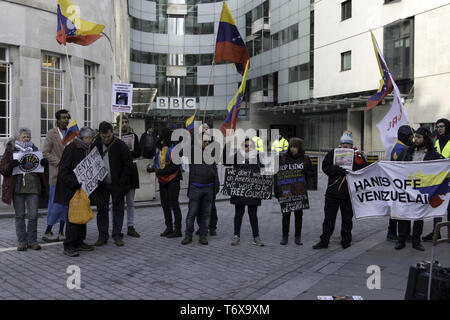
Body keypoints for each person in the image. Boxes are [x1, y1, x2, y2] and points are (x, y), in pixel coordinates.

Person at [313, 130, 368, 250]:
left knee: (347, 219)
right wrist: (337, 170)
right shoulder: (333, 153)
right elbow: (325, 167)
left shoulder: (357, 155)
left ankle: (346, 240)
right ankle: (324, 240)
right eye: (343, 144)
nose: (345, 146)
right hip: (332, 192)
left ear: (351, 145)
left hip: (348, 193)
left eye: (347, 144)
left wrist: (352, 169)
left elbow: (363, 169)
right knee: (329, 219)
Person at [395, 127, 444, 251]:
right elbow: (395, 166)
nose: (415, 139)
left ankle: (416, 241)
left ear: (425, 139)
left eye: (419, 137)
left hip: (422, 191)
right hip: (406, 189)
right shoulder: (407, 151)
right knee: (403, 214)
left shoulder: (433, 154)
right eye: (415, 136)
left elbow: (443, 165)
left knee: (418, 216)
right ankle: (401, 240)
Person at [0, 128, 48, 251]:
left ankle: (32, 241)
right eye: (24, 137)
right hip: (17, 189)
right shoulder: (11, 150)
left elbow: (41, 170)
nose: (26, 139)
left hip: (33, 188)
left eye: (28, 137)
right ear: (18, 138)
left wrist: (44, 164)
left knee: (33, 215)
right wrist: (11, 165)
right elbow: (3, 169)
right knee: (20, 215)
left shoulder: (35, 150)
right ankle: (22, 241)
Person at [54, 127, 96, 257]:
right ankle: (69, 245)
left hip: (81, 189)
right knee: (72, 218)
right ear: (84, 138)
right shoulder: (72, 148)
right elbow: (63, 170)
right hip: (71, 189)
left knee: (81, 214)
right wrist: (75, 182)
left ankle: (79, 241)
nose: (92, 141)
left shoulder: (86, 149)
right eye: (91, 138)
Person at [92, 121, 133, 247]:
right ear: (100, 134)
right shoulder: (96, 144)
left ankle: (117, 235)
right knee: (102, 210)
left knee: (118, 210)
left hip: (117, 184)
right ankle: (102, 236)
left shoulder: (120, 145)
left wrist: (122, 183)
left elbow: (128, 165)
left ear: (112, 133)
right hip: (102, 184)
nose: (106, 139)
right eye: (103, 137)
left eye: (108, 136)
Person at [181, 132, 219, 245]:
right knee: (192, 213)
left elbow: (214, 169)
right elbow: (180, 152)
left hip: (208, 187)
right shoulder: (193, 150)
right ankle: (188, 235)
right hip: (195, 187)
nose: (207, 143)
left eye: (208, 141)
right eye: (204, 141)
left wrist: (215, 187)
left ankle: (203, 235)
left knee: (206, 214)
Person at [274, 138, 314, 245]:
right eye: (291, 147)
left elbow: (311, 174)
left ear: (299, 148)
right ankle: (285, 236)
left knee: (298, 215)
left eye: (295, 147)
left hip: (299, 191)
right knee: (286, 214)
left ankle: (297, 237)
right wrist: (276, 191)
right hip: (286, 191)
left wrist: (305, 172)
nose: (293, 149)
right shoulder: (283, 159)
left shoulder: (305, 159)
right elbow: (277, 175)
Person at [226, 138, 265, 246]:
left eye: (250, 146)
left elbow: (266, 169)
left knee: (253, 215)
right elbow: (226, 162)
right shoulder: (237, 156)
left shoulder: (258, 157)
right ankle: (236, 236)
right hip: (239, 190)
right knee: (238, 214)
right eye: (246, 146)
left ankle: (256, 237)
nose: (248, 148)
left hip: (252, 191)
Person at [42, 109, 72, 242]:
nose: (66, 120)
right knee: (55, 204)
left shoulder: (72, 133)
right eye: (63, 118)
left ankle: (61, 231)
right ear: (57, 120)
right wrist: (59, 162)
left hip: (69, 175)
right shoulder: (51, 133)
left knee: (66, 205)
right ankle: (48, 231)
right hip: (56, 174)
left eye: (67, 117)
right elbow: (45, 152)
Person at [148, 127, 183, 238]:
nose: (161, 141)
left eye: (163, 139)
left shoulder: (174, 150)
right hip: (162, 181)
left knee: (174, 204)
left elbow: (175, 167)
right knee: (165, 205)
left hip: (173, 180)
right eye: (160, 139)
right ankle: (169, 227)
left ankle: (178, 230)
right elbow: (157, 163)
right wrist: (152, 168)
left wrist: (160, 171)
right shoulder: (160, 150)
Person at [422, 118, 450, 241]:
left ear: (447, 127)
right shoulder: (436, 142)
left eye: (442, 126)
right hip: (438, 179)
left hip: (449, 179)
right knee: (436, 206)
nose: (439, 128)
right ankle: (436, 233)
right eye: (437, 126)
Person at [114, 114, 141, 238]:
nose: (124, 124)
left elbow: (138, 152)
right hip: (118, 173)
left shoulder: (134, 136)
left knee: (130, 202)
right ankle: (116, 227)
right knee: (117, 202)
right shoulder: (114, 137)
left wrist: (126, 152)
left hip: (131, 172)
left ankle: (130, 226)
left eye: (126, 122)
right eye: (122, 122)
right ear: (118, 123)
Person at [386, 125, 414, 242]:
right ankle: (402, 234)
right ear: (405, 136)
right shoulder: (402, 149)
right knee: (403, 210)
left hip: (397, 183)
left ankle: (393, 232)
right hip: (401, 184)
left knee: (397, 209)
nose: (412, 139)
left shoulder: (398, 146)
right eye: (411, 137)